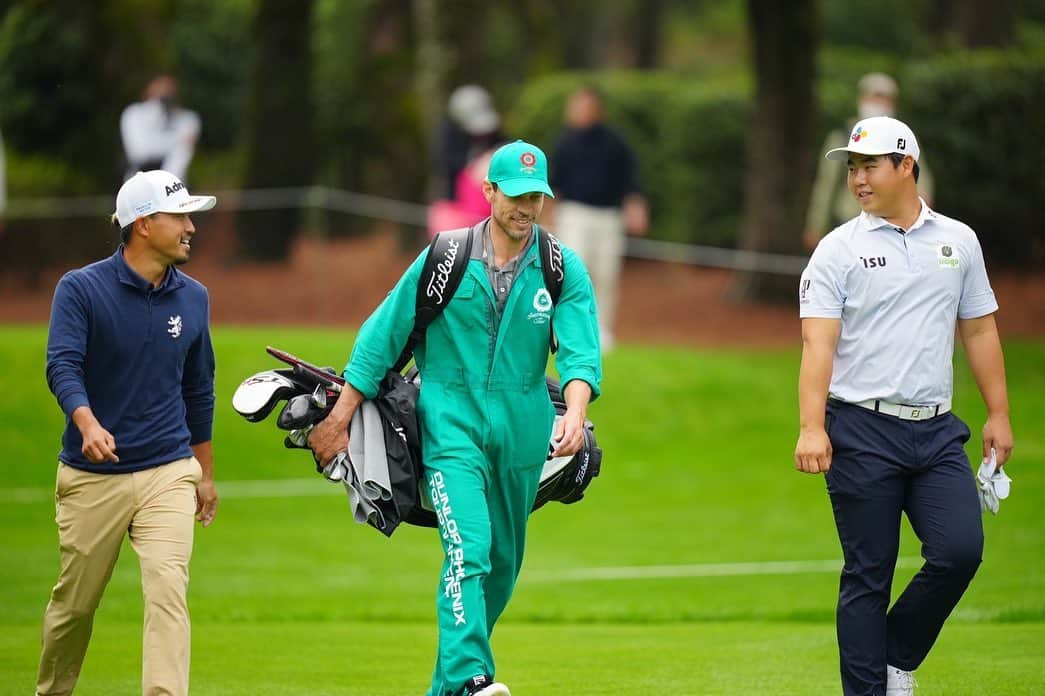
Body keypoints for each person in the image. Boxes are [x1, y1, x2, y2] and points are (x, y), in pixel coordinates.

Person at [309, 140, 602, 696]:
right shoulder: (445, 258)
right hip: (450, 425)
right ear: (489, 192)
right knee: (468, 547)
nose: (525, 207)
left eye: (535, 196)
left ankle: (450, 689)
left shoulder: (562, 266)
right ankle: (472, 678)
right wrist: (340, 417)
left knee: (501, 565)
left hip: (524, 430)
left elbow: (581, 351)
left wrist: (577, 411)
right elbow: (382, 336)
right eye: (515, 195)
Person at [795, 117, 1014, 696]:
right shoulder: (837, 251)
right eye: (852, 169)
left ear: (906, 166)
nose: (858, 179)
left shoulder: (959, 240)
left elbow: (980, 330)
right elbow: (818, 344)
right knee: (869, 574)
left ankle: (893, 657)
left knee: (959, 551)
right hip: (859, 428)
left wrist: (999, 414)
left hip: (937, 429)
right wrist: (811, 426)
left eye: (869, 166)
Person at [38, 170, 220, 696]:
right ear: (142, 224)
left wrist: (204, 474)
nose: (191, 227)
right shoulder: (80, 289)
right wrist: (87, 421)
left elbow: (198, 389)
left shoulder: (195, 298)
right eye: (180, 216)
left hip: (168, 468)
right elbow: (62, 365)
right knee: (74, 607)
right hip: (94, 475)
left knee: (168, 591)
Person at [548, 84, 648, 352]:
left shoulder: (615, 142)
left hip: (608, 216)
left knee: (606, 273)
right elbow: (554, 184)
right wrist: (548, 216)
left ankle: (602, 331)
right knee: (573, 272)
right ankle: (567, 328)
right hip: (574, 214)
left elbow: (629, 181)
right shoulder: (564, 143)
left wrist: (635, 205)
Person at [804, 73, 934, 250]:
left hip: (893, 225)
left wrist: (919, 212)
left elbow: (921, 177)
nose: (880, 104)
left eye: (886, 99)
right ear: (862, 98)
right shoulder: (842, 136)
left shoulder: (903, 137)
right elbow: (826, 185)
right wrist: (816, 225)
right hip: (850, 220)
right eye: (875, 97)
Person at [120, 74, 202, 181]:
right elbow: (140, 151)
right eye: (160, 85)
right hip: (139, 184)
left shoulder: (188, 118)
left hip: (174, 187)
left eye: (169, 86)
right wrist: (178, 139)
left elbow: (185, 150)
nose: (165, 91)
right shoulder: (133, 114)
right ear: (149, 87)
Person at [434, 85, 503, 200]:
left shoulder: (495, 134)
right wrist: (475, 166)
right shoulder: (448, 137)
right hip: (459, 202)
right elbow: (448, 166)